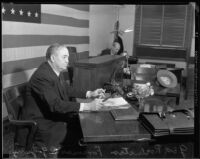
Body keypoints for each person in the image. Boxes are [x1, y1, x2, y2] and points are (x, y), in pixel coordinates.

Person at [18, 43, 105, 152]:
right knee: (81, 133)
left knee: (82, 124)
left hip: (49, 115)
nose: (68, 60)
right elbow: (56, 105)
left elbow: (67, 89)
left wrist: (90, 93)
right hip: (41, 123)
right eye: (64, 57)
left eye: (68, 57)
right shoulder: (42, 76)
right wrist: (88, 106)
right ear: (53, 58)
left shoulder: (53, 70)